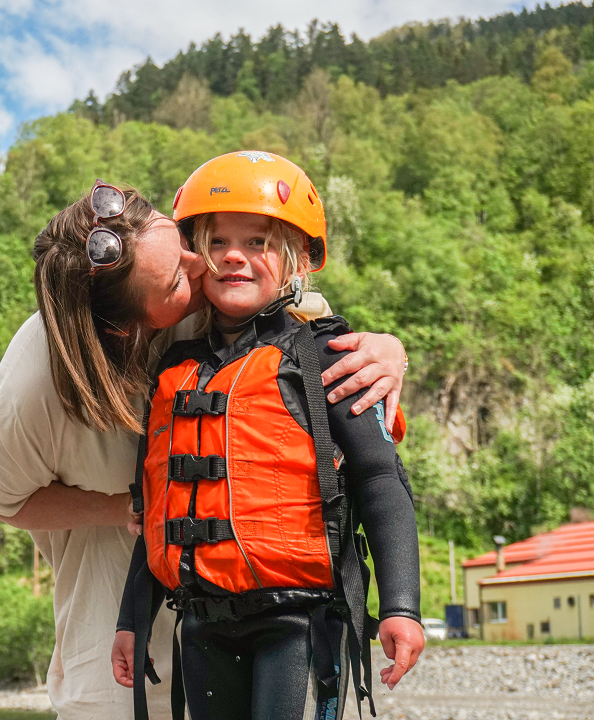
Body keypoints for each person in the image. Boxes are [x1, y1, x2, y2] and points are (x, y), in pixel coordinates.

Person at [0, 176, 409, 720]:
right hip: (119, 653)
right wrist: (126, 510)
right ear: (134, 327)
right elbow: (4, 499)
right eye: (180, 273)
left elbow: (303, 310)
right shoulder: (31, 388)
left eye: (184, 245)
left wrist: (389, 351)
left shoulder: (224, 290)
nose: (207, 266)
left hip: (281, 618)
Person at [110, 152, 422, 720]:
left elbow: (381, 481)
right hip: (202, 623)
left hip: (299, 625)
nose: (235, 255)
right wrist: (133, 618)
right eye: (219, 241)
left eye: (258, 242)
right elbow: (161, 504)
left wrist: (402, 606)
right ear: (195, 254)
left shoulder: (333, 358)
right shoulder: (173, 370)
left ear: (298, 259)